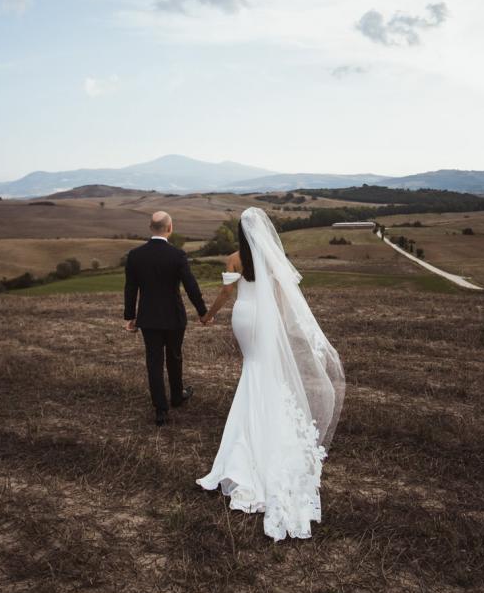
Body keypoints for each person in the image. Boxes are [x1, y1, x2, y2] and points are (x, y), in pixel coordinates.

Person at [196, 207, 345, 540]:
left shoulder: (234, 258)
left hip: (244, 318)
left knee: (251, 369)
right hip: (263, 320)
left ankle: (245, 441)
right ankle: (265, 432)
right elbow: (280, 296)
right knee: (262, 371)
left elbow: (226, 293)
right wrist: (276, 325)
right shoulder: (273, 258)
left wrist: (208, 315)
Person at [123, 211, 208, 425]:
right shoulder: (177, 255)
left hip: (148, 317)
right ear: (170, 228)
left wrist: (130, 316)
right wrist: (202, 311)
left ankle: (161, 411)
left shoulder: (135, 255)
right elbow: (191, 285)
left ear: (151, 228)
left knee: (154, 362)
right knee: (174, 356)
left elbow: (130, 288)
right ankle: (177, 397)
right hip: (173, 316)